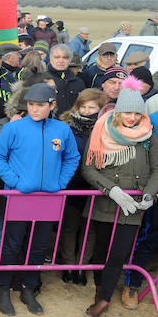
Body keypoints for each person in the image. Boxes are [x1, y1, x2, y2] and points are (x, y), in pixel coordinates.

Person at [0, 83, 80, 316]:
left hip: (49, 197)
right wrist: (15, 181)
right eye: (30, 105)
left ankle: (29, 289)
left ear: (52, 105)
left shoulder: (62, 130)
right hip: (20, 196)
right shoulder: (14, 129)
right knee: (12, 244)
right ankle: (3, 288)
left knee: (39, 245)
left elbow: (72, 158)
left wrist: (59, 183)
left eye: (40, 105)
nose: (34, 109)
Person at [80, 77, 158, 317]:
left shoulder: (149, 136)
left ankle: (103, 299)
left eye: (137, 113)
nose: (132, 118)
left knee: (119, 253)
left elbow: (157, 169)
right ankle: (98, 290)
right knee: (102, 251)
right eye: (127, 113)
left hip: (132, 206)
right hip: (106, 202)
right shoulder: (101, 131)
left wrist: (149, 194)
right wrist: (111, 190)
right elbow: (89, 169)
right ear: (119, 111)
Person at [57, 88, 107, 286]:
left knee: (90, 229)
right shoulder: (66, 127)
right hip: (72, 183)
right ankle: (68, 265)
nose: (86, 111)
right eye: (83, 106)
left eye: (92, 107)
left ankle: (82, 266)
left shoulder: (105, 129)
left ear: (101, 108)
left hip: (95, 185)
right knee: (70, 226)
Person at [47, 43, 85, 116]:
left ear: (70, 60)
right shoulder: (42, 80)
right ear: (51, 59)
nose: (61, 61)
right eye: (57, 57)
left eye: (65, 58)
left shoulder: (78, 82)